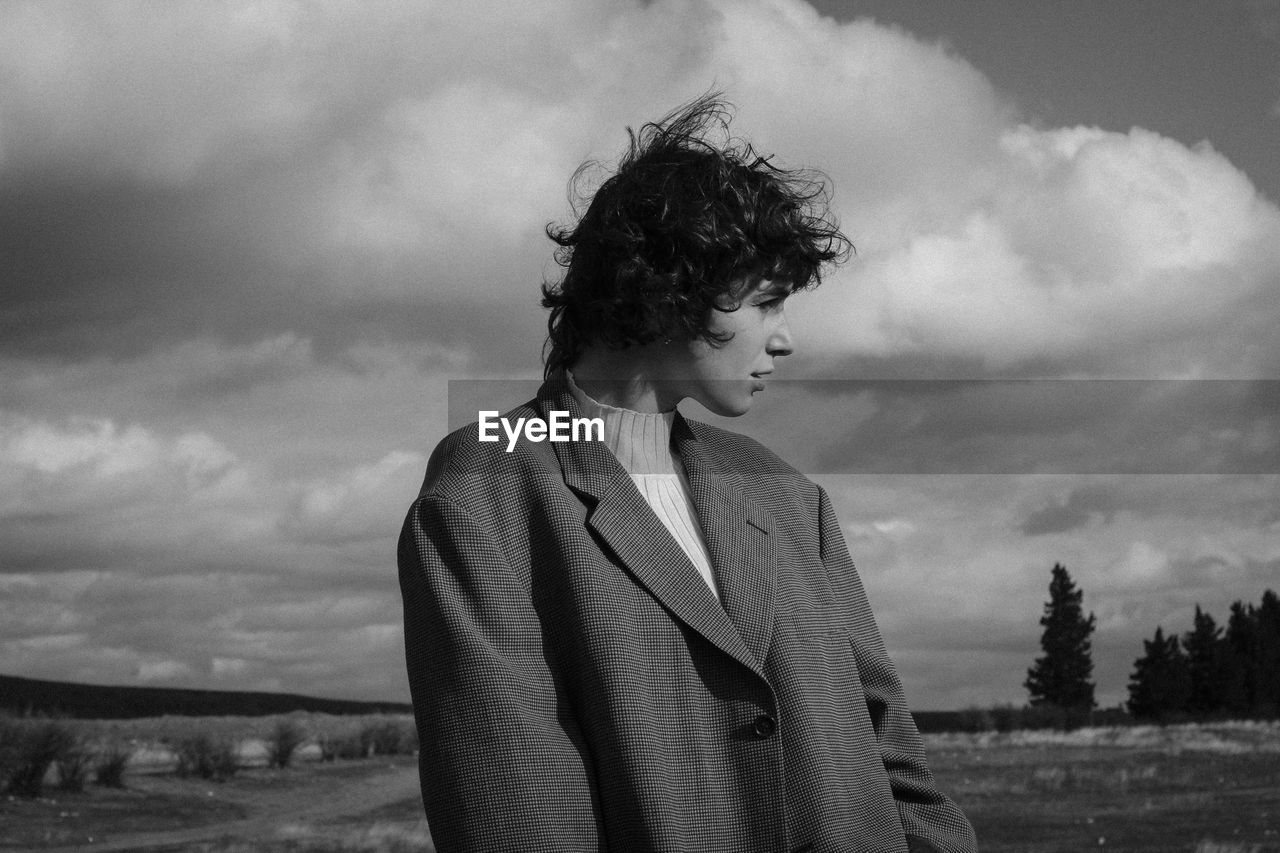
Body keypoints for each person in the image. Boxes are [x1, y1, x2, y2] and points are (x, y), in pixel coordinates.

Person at [398, 95, 977, 853]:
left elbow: (894, 758)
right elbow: (514, 815)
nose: (789, 338)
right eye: (768, 300)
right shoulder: (487, 490)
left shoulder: (786, 494)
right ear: (670, 284)